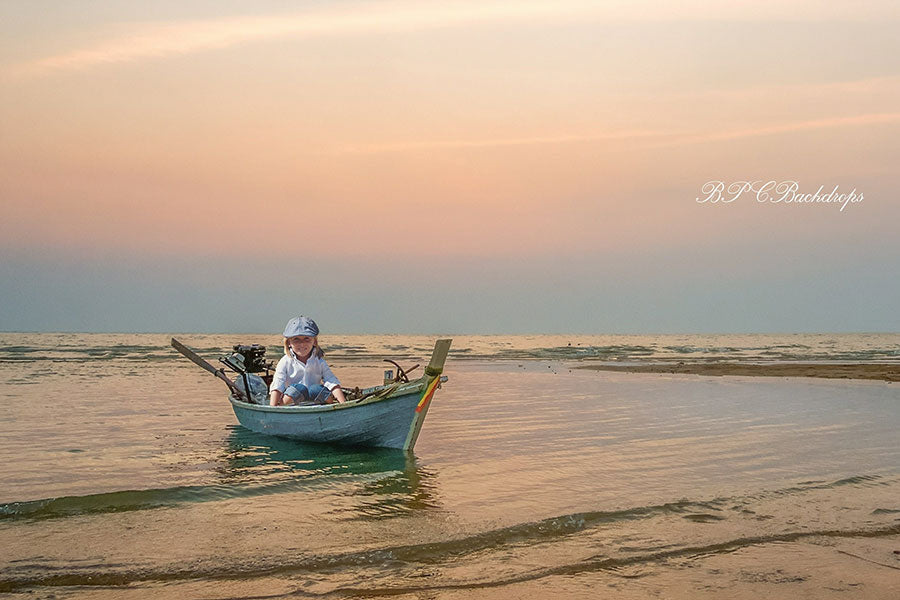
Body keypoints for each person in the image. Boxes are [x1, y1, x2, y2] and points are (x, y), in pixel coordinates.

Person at [269, 316, 347, 406]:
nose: (302, 344)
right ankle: (281, 406)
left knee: (316, 389)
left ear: (314, 341)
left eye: (307, 338)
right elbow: (278, 384)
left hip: (315, 399)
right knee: (298, 389)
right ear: (289, 343)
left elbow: (331, 381)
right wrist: (273, 408)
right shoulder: (285, 361)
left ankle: (329, 405)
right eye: (296, 339)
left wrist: (343, 404)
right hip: (293, 400)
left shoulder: (319, 361)